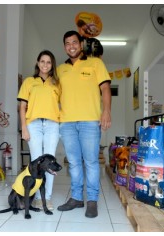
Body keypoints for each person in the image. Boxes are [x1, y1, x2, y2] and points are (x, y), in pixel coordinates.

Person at [57, 30, 112, 218]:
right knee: (73, 163)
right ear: (64, 47)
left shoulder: (96, 63)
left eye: (74, 42)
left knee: (91, 162)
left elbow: (105, 88)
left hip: (90, 121)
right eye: (67, 43)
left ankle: (92, 201)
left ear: (81, 44)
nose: (71, 46)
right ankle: (76, 198)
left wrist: (106, 111)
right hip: (66, 123)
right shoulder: (60, 69)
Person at [17, 50, 60, 211]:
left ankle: (47, 198)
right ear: (37, 62)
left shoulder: (56, 83)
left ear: (52, 65)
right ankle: (35, 197)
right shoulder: (29, 81)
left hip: (52, 125)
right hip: (33, 124)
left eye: (48, 62)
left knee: (50, 163)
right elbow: (22, 107)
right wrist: (24, 127)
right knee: (36, 162)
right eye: (42, 61)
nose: (45, 65)